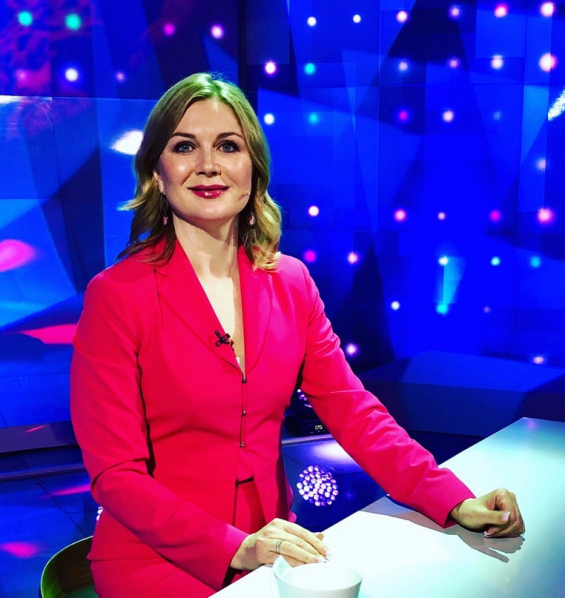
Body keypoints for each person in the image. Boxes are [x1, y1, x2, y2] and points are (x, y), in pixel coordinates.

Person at [70, 72, 524, 598]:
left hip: (275, 548)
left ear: (254, 168)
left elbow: (353, 411)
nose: (208, 164)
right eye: (184, 146)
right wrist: (235, 547)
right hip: (158, 559)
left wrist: (451, 498)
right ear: (157, 170)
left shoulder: (290, 282)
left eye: (228, 146)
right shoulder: (116, 295)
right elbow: (115, 474)